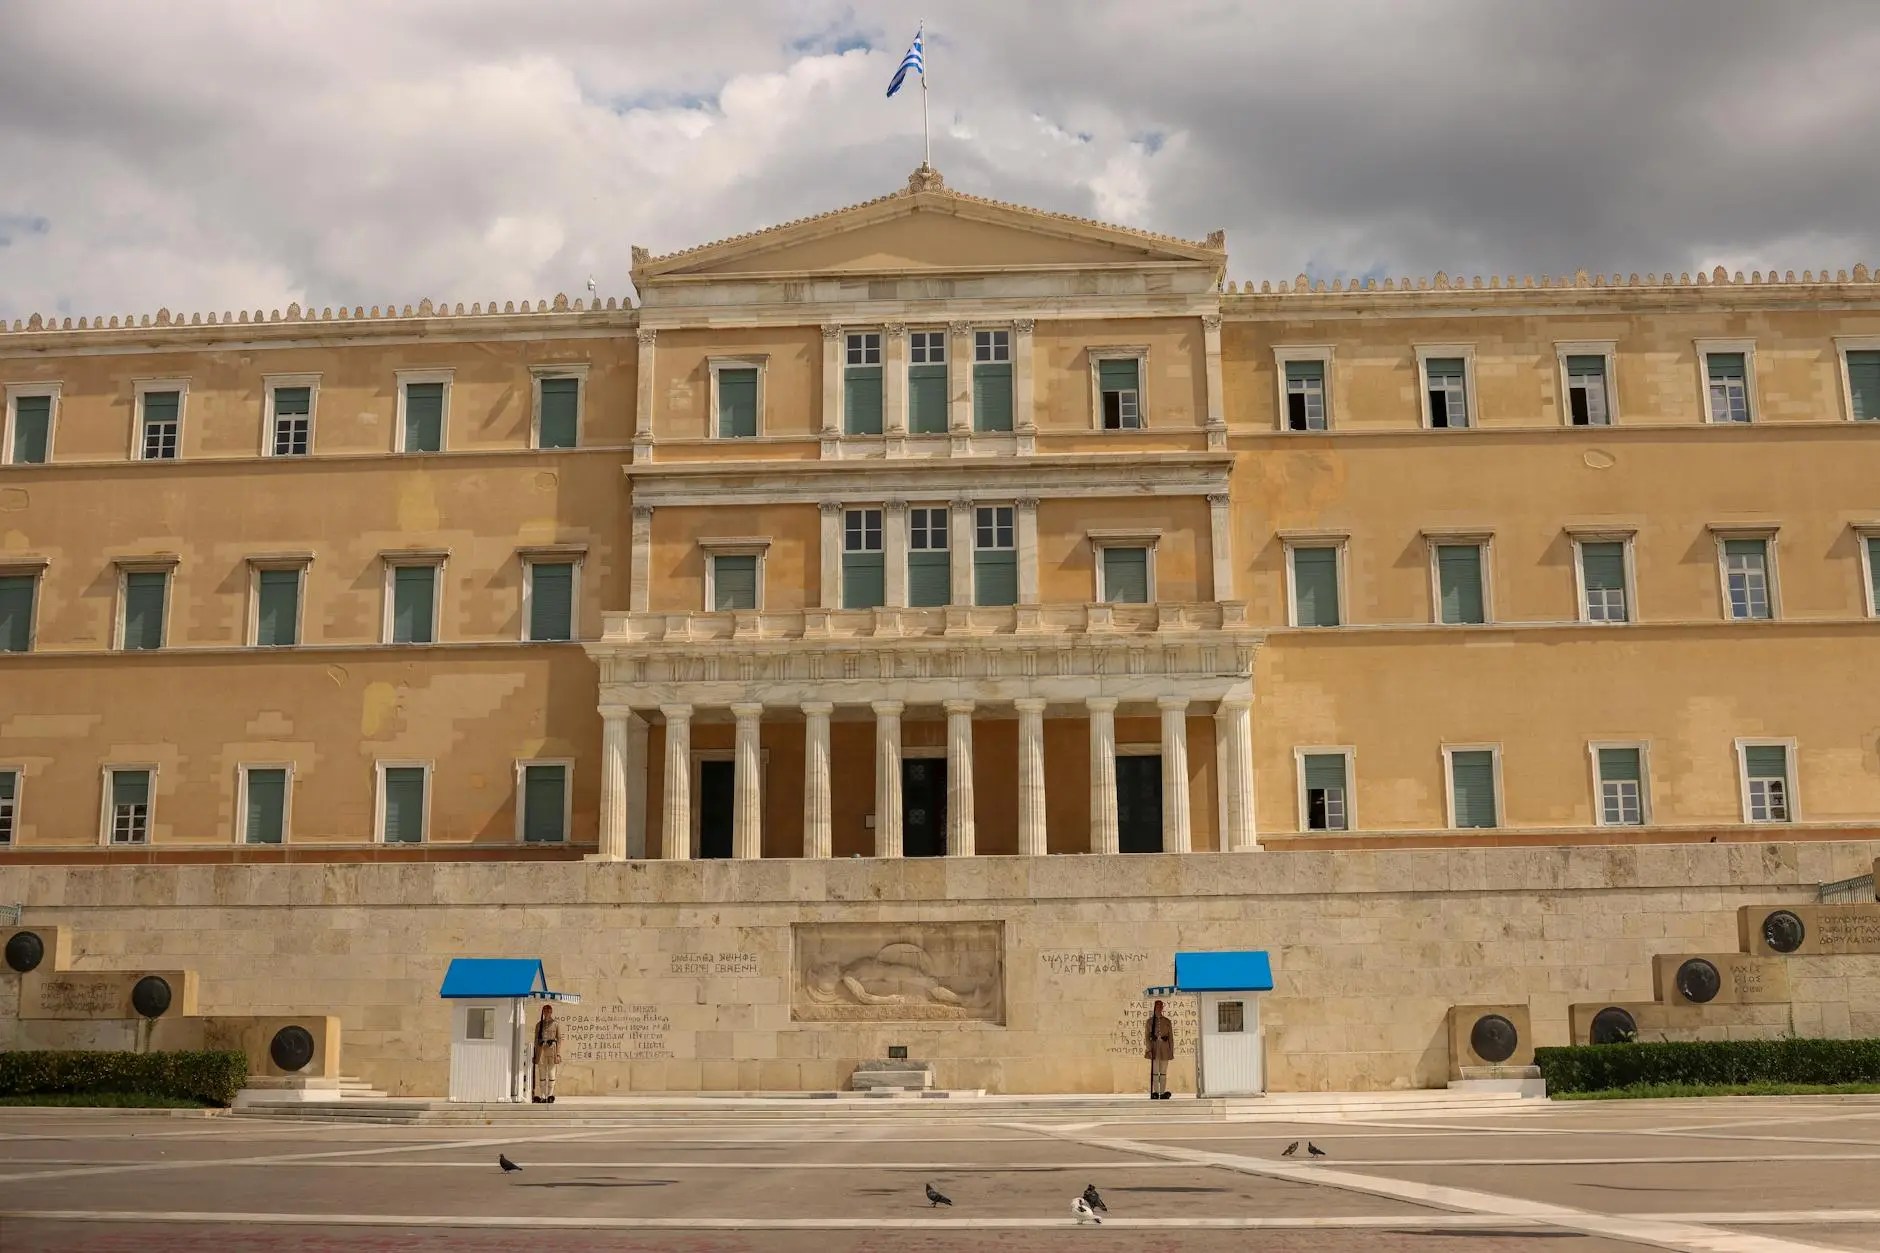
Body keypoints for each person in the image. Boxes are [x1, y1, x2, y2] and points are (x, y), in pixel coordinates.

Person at [1144, 999, 1174, 1100]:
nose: (1159, 1008)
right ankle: (1156, 1092)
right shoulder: (1149, 1022)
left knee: (1163, 1072)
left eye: (1161, 1006)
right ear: (1154, 1007)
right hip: (1155, 1048)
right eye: (1157, 1006)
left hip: (1165, 1049)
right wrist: (1149, 1049)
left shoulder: (1167, 1021)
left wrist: (1171, 1051)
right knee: (1155, 1073)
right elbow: (1147, 1037)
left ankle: (1162, 1092)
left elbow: (1170, 1038)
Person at [532, 1003, 561, 1103]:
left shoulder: (555, 1024)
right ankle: (543, 1095)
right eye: (545, 1011)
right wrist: (535, 1054)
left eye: (549, 1011)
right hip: (541, 1050)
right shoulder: (539, 1025)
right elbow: (536, 1040)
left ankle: (550, 1095)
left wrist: (558, 1054)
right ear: (543, 1012)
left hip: (552, 1050)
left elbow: (559, 1039)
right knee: (542, 1074)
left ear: (551, 1012)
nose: (547, 1013)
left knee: (551, 1073)